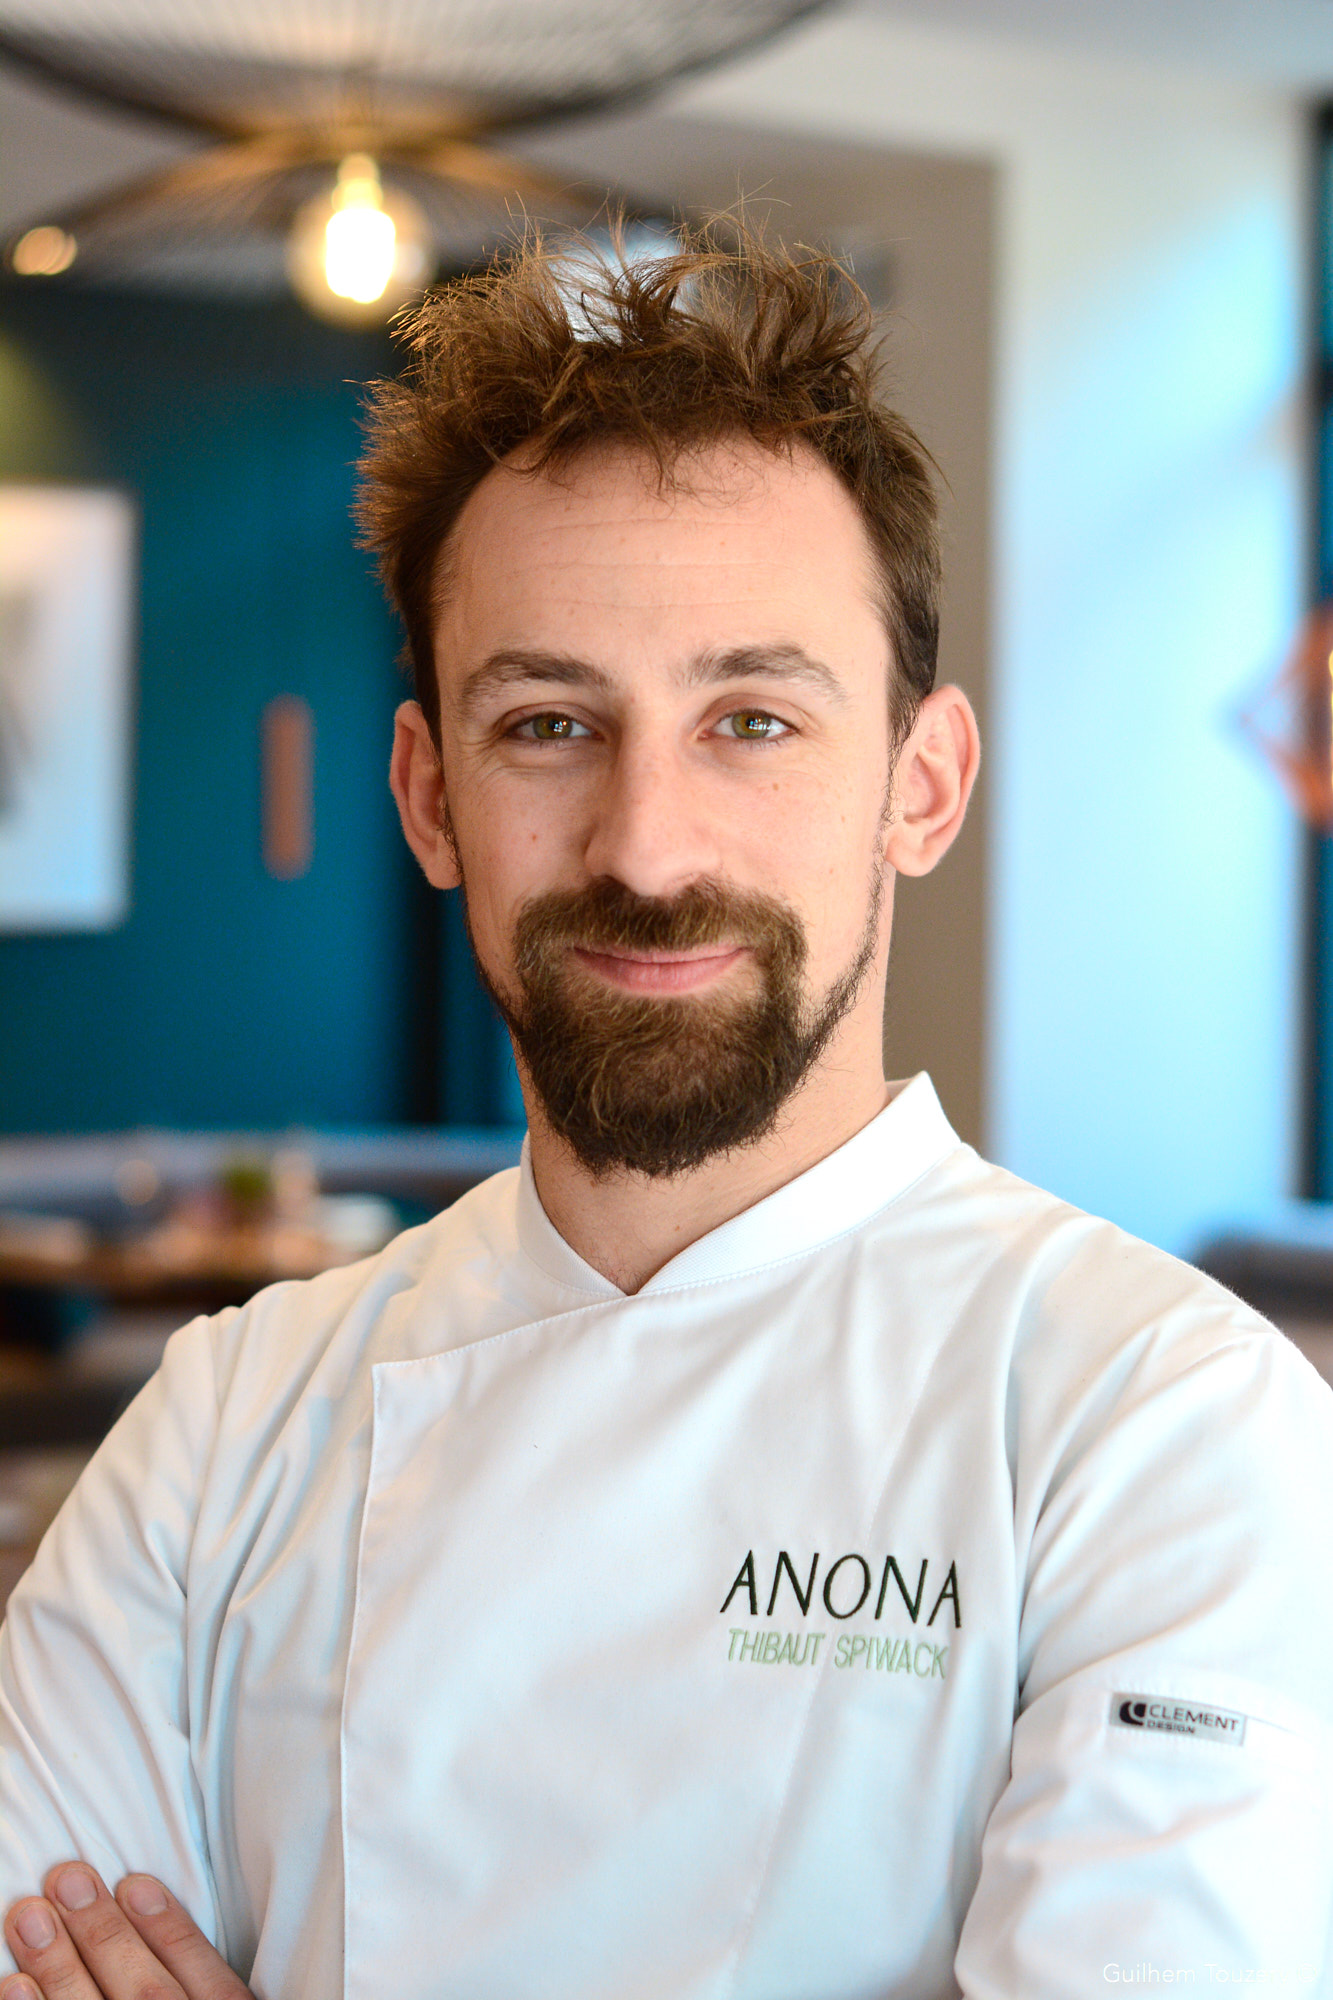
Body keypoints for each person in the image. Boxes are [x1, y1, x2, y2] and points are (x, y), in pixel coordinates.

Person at [2, 219, 1332, 2000]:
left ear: (921, 786)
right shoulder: (227, 1426)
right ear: (428, 797)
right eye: (548, 724)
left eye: (750, 722)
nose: (644, 847)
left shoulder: (1156, 1423)